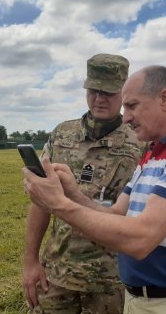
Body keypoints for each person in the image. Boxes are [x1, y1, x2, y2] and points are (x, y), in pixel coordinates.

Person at [23, 65, 166, 314]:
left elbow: (141, 239)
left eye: (132, 106)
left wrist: (58, 203)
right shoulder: (154, 155)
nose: (126, 118)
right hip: (145, 299)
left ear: (165, 99)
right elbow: (116, 214)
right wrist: (72, 194)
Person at [23, 53, 144, 313]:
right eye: (93, 90)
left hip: (112, 281)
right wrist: (30, 261)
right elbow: (41, 203)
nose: (99, 98)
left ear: (123, 93)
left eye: (109, 92)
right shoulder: (62, 135)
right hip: (57, 273)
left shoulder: (140, 141)